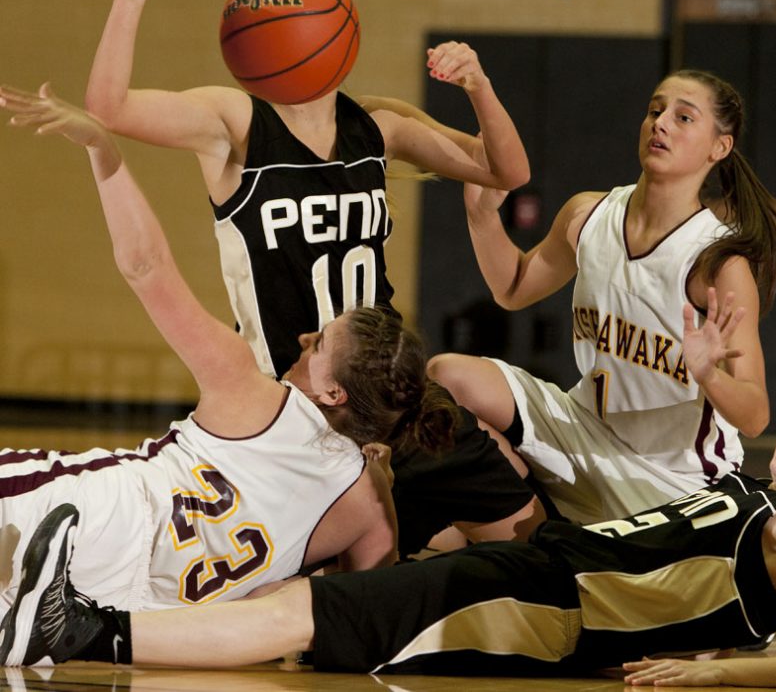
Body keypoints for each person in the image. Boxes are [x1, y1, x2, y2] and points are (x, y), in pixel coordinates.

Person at [1, 359, 776, 686]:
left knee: (306, 615)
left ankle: (81, 628)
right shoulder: (768, 501)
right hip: (539, 582)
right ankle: (89, 622)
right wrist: (713, 639)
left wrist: (712, 672)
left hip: (543, 603)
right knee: (306, 612)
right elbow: (710, 591)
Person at [85, 0, 544, 556]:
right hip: (295, 405)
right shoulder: (235, 125)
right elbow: (109, 109)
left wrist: (478, 86)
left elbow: (507, 171)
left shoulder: (376, 126)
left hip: (389, 394)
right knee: (356, 575)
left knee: (532, 543)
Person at [0, 84, 461, 619]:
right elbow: (356, 613)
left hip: (88, 516)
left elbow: (146, 266)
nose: (304, 338)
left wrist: (102, 147)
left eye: (319, 343)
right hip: (133, 610)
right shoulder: (367, 506)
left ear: (335, 391)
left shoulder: (249, 390)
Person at [428, 68, 776, 524]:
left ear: (719, 147)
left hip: (672, 476)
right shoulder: (588, 214)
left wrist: (709, 375)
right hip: (583, 429)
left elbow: (756, 415)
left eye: (684, 117)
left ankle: (557, 542)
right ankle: (534, 538)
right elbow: (513, 287)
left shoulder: (718, 262)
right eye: (655, 110)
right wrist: (481, 216)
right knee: (447, 375)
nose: (660, 123)